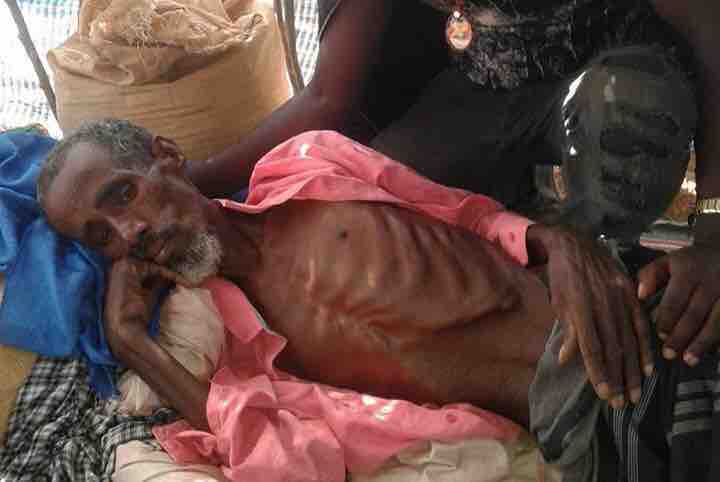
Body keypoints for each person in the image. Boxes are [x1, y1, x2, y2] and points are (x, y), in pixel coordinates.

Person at [37, 120, 720, 480]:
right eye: (101, 238)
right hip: (584, 430)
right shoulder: (238, 355)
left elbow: (464, 212)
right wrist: (134, 345)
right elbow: (283, 463)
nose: (129, 233)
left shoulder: (311, 161)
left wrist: (558, 240)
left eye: (122, 195)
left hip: (624, 314)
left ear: (166, 155)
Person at [187, 0, 720, 394]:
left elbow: (709, 32)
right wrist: (197, 181)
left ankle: (610, 268)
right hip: (482, 85)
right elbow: (330, 95)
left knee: (628, 115)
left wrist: (714, 234)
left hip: (613, 71)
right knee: (386, 201)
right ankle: (539, 261)